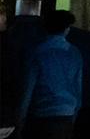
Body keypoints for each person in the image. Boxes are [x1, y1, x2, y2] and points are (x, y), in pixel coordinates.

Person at [16, 10, 82, 139]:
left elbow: (28, 89)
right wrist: (75, 114)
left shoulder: (37, 51)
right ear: (67, 29)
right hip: (66, 113)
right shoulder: (74, 53)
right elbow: (77, 87)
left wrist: (20, 119)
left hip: (41, 114)